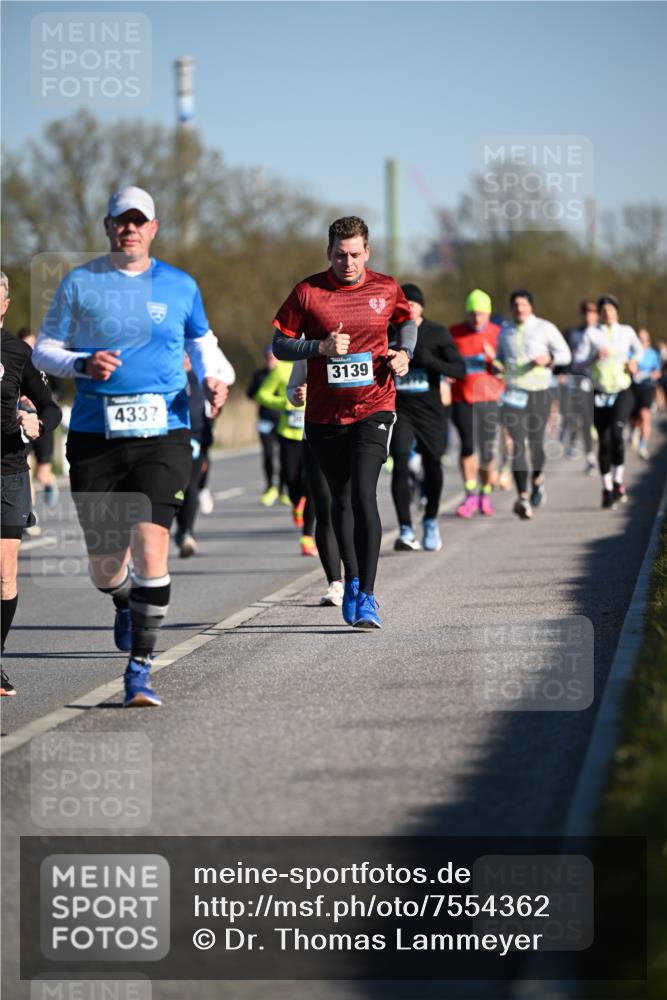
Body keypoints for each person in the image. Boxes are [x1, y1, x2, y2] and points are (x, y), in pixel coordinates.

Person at [34, 186, 229, 706]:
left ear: (153, 228)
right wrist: (81, 363)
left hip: (164, 434)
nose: (130, 229)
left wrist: (216, 378)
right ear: (107, 226)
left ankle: (140, 669)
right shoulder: (80, 283)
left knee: (151, 546)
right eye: (122, 220)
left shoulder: (180, 285)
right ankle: (123, 600)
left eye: (139, 221)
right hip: (96, 438)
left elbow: (202, 343)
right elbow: (44, 350)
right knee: (106, 568)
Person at [272, 215, 417, 629]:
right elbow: (280, 344)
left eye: (355, 254)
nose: (348, 263)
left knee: (364, 494)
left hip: (375, 406)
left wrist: (405, 354)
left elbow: (407, 323)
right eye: (340, 255)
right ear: (329, 253)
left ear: (367, 252)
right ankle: (350, 580)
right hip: (324, 415)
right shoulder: (308, 292)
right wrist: (319, 347)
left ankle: (367, 595)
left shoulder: (386, 287)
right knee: (339, 499)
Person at [1, 271, 62, 696]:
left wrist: (37, 422)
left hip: (8, 472)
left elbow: (51, 408)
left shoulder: (18, 352)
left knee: (4, 574)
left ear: (4, 305)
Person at [390, 283, 465, 551]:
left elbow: (459, 370)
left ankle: (431, 520)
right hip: (399, 409)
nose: (407, 308)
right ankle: (405, 529)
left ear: (421, 307)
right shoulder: (388, 332)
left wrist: (429, 360)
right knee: (400, 460)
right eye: (403, 304)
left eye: (412, 304)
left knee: (433, 464)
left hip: (431, 411)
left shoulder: (437, 332)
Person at [496, 290, 571, 520]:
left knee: (536, 444)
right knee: (518, 445)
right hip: (513, 394)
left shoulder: (544, 328)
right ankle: (523, 497)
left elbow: (566, 354)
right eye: (516, 305)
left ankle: (537, 479)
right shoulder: (505, 331)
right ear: (511, 307)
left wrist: (549, 358)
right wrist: (496, 365)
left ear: (531, 306)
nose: (519, 308)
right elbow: (500, 357)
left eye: (524, 304)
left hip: (539, 392)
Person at [287, 360, 345, 603]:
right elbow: (293, 389)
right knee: (324, 506)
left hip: (353, 432)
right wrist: (297, 395)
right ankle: (335, 583)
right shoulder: (307, 347)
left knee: (353, 505)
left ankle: (357, 580)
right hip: (315, 434)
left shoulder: (364, 339)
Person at [578, 295, 642, 508]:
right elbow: (576, 363)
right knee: (604, 441)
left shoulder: (627, 331)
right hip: (599, 391)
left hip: (622, 389)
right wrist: (593, 358)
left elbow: (639, 350)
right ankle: (606, 488)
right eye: (603, 310)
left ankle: (618, 481)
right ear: (599, 314)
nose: (607, 313)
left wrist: (634, 362)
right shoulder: (591, 334)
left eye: (611, 310)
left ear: (617, 312)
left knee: (617, 432)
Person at [254, 358, 316, 556]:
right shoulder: (281, 369)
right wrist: (284, 402)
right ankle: (297, 501)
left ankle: (307, 537)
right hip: (290, 435)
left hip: (315, 433)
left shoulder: (321, 361)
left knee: (313, 486)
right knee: (291, 480)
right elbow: (262, 394)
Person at [449, 289, 503, 518]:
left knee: (488, 450)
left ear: (488, 314)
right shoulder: (454, 333)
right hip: (462, 398)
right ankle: (470, 493)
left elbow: (508, 369)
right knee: (467, 445)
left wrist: (494, 359)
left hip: (489, 399)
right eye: (472, 314)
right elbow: (446, 361)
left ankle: (485, 494)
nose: (476, 318)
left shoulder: (498, 334)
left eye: (481, 314)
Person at [17, 327, 62, 510]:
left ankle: (49, 482)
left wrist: (41, 403)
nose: (31, 348)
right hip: (22, 423)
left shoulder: (46, 364)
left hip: (42, 423)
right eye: (26, 344)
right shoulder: (16, 363)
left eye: (33, 344)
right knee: (26, 470)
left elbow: (57, 394)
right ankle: (30, 514)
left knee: (42, 474)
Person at [246, 346, 288, 506]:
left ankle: (283, 489)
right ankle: (270, 486)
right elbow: (250, 394)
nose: (270, 359)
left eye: (273, 356)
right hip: (265, 420)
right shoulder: (260, 375)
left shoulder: (286, 372)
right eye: (268, 357)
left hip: (284, 420)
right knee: (268, 454)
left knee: (285, 455)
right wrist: (261, 398)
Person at [561, 301, 598, 474]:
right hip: (579, 380)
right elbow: (562, 354)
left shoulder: (603, 334)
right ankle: (588, 457)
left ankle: (591, 453)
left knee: (593, 421)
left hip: (601, 383)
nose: (589, 314)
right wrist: (562, 371)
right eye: (586, 311)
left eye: (592, 311)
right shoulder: (572, 333)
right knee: (581, 417)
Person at [630, 328, 661, 460]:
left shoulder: (653, 354)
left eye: (645, 338)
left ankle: (643, 446)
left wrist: (653, 375)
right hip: (632, 388)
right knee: (634, 419)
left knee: (645, 415)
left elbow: (657, 371)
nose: (642, 341)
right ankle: (635, 429)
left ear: (648, 340)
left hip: (647, 387)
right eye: (640, 338)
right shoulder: (631, 352)